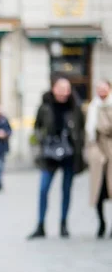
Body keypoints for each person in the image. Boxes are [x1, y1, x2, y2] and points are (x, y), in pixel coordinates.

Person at [28, 76, 86, 239]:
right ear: (53, 89)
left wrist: (79, 148)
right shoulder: (45, 106)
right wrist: (41, 141)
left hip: (69, 154)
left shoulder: (75, 107)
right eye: (60, 89)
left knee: (66, 190)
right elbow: (37, 127)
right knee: (43, 189)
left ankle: (63, 224)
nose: (63, 92)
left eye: (66, 89)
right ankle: (40, 225)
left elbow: (81, 129)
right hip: (49, 155)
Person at [85, 80, 112, 238]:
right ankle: (101, 223)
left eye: (104, 88)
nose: (101, 91)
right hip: (97, 153)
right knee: (98, 191)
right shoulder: (93, 107)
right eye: (99, 88)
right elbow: (89, 132)